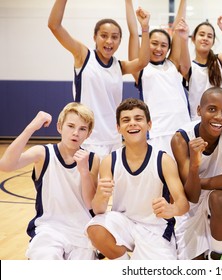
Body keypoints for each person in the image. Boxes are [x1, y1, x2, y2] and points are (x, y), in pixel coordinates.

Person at [86, 98, 189, 260]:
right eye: (126, 120)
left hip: (155, 229)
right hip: (123, 222)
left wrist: (173, 210)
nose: (132, 123)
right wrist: (100, 195)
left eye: (138, 119)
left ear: (149, 124)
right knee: (95, 228)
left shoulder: (163, 160)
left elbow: (183, 203)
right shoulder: (109, 161)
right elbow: (98, 210)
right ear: (118, 128)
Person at [48, 0, 151, 159]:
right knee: (87, 184)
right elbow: (54, 26)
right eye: (104, 36)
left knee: (109, 184)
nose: (109, 41)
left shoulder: (118, 66)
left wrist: (145, 28)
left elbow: (143, 62)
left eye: (114, 37)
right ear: (95, 37)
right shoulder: (83, 56)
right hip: (88, 139)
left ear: (119, 41)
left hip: (114, 139)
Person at [0, 102, 99, 260]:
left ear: (88, 134)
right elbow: (5, 165)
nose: (76, 133)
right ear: (59, 127)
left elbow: (90, 204)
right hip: (49, 229)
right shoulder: (43, 153)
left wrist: (84, 172)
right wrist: (31, 127)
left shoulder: (92, 159)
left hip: (82, 232)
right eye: (71, 126)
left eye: (82, 129)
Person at [171, 87, 222, 260]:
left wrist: (195, 180)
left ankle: (217, 255)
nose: (219, 117)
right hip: (190, 205)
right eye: (212, 109)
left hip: (217, 196)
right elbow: (192, 196)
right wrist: (194, 165)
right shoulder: (181, 139)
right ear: (199, 110)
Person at [126, 0, 191, 157]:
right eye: (154, 43)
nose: (158, 48)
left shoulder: (172, 64)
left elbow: (178, 27)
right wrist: (128, 3)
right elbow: (133, 33)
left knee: (184, 177)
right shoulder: (141, 68)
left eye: (163, 45)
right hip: (158, 132)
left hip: (182, 129)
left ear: (168, 49)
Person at [183, 0, 222, 121]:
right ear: (193, 39)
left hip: (220, 119)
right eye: (202, 34)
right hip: (198, 121)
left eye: (209, 36)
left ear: (213, 42)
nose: (205, 38)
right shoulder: (189, 66)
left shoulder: (218, 59)